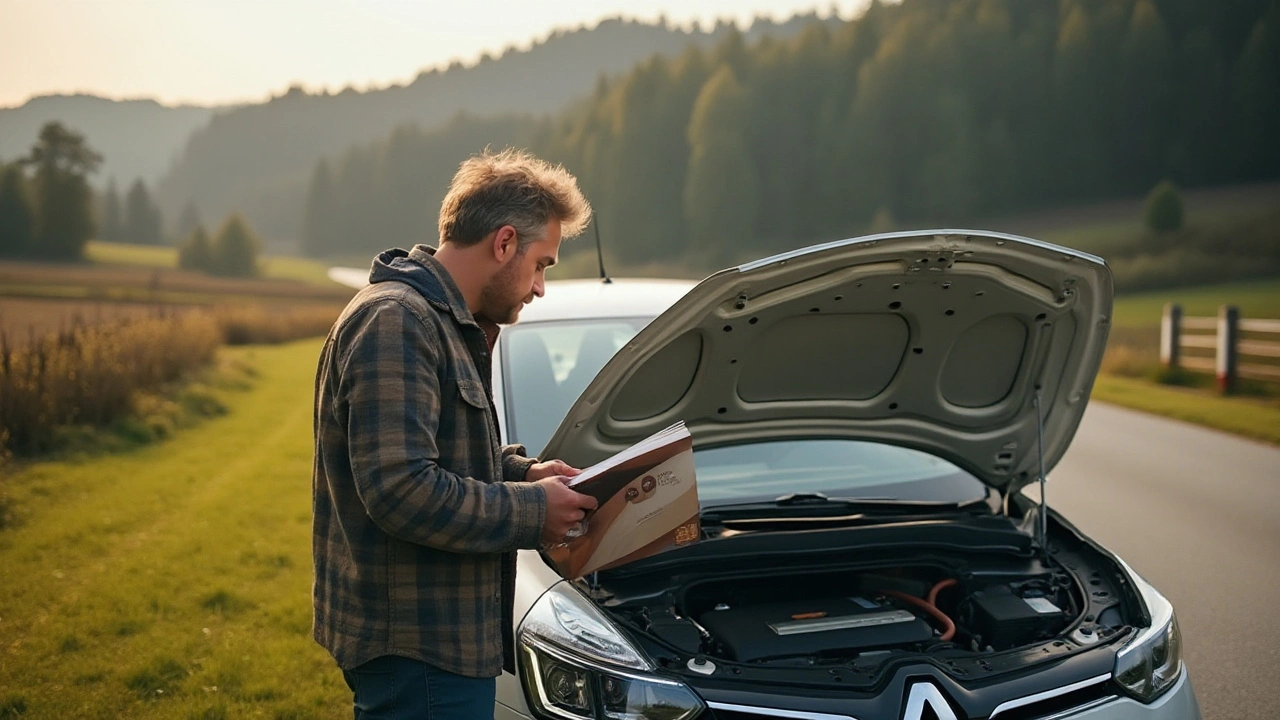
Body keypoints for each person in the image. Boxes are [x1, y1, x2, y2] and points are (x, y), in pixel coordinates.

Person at [312, 148, 600, 720]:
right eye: (542, 263)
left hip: (436, 647)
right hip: (419, 650)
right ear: (503, 243)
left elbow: (441, 452)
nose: (541, 287)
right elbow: (400, 488)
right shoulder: (398, 321)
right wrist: (531, 511)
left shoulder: (440, 322)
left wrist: (523, 474)